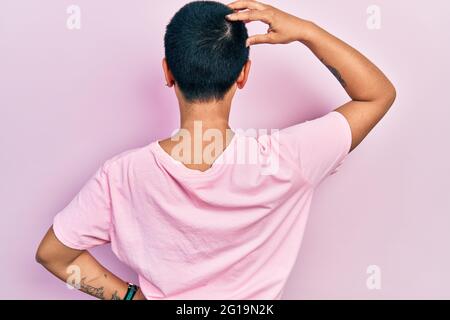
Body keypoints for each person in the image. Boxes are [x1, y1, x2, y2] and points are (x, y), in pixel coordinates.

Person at [36, 0, 396, 300]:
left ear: (167, 73)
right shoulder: (289, 159)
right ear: (243, 74)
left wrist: (130, 297)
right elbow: (377, 94)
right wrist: (305, 30)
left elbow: (53, 254)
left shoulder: (121, 176)